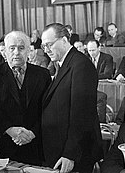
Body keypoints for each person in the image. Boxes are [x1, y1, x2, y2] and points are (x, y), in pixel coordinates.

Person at [0, 31, 51, 165]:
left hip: (33, 143)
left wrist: (33, 133)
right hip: (2, 142)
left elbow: (49, 108)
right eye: (12, 48)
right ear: (5, 51)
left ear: (29, 51)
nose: (16, 52)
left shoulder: (43, 74)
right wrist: (10, 130)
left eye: (21, 48)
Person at [41, 23, 103, 172]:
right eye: (43, 46)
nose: (46, 50)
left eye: (49, 44)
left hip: (75, 153)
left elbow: (82, 114)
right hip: (61, 147)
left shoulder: (81, 65)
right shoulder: (64, 64)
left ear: (64, 40)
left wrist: (70, 154)